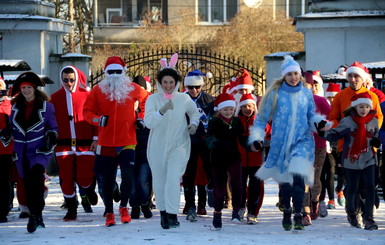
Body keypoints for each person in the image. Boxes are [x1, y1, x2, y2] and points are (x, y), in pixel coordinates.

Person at [248, 55, 328, 231]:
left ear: (300, 75)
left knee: (299, 177)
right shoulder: (275, 95)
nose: (293, 77)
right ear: (284, 76)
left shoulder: (307, 94)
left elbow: (310, 116)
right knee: (285, 181)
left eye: (296, 74)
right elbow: (261, 119)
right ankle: (287, 211)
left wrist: (319, 122)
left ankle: (299, 214)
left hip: (303, 140)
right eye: (290, 74)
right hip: (281, 142)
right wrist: (257, 137)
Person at [83, 56, 149, 227]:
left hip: (127, 139)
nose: (113, 75)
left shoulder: (132, 88)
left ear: (123, 73)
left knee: (127, 176)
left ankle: (123, 207)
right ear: (105, 73)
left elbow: (147, 99)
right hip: (105, 141)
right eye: (110, 72)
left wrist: (140, 117)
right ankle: (109, 212)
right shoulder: (98, 90)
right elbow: (87, 112)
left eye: (117, 72)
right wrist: (98, 120)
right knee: (107, 179)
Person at [144, 53, 200, 229]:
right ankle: (163, 213)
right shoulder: (152, 99)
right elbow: (148, 122)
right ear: (160, 83)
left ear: (177, 83)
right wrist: (161, 112)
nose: (168, 86)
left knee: (173, 179)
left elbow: (194, 112)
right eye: (165, 82)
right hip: (157, 146)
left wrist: (193, 124)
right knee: (160, 180)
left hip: (179, 144)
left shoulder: (183, 98)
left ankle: (172, 214)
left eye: (171, 82)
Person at [316, 92, 380, 230]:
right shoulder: (347, 121)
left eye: (367, 107)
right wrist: (322, 131)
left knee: (369, 187)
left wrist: (377, 142)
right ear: (355, 108)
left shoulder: (373, 121)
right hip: (351, 160)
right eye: (361, 107)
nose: (364, 110)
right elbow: (334, 135)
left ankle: (368, 218)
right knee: (352, 188)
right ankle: (351, 211)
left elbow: (376, 138)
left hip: (368, 158)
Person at [9, 72, 58, 233]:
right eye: (24, 88)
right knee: (28, 185)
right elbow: (11, 127)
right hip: (21, 152)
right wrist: (5, 132)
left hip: (39, 151)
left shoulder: (46, 106)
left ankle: (34, 216)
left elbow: (53, 127)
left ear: (35, 88)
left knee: (36, 179)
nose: (26, 90)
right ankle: (36, 214)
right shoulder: (15, 107)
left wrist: (51, 136)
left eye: (29, 87)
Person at [50, 66, 98, 221]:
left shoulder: (88, 95)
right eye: (65, 80)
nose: (68, 83)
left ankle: (87, 187)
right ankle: (71, 209)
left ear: (76, 79)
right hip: (63, 145)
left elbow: (95, 119)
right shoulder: (55, 97)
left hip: (85, 144)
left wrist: (96, 139)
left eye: (71, 80)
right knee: (66, 178)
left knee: (84, 176)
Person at [205, 93, 248, 230]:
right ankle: (217, 212)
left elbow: (242, 138)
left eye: (231, 109)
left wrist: (251, 145)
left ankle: (236, 211)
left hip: (234, 157)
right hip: (218, 158)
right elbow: (208, 136)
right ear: (220, 110)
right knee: (220, 186)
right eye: (225, 109)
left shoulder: (236, 121)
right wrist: (213, 143)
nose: (228, 112)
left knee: (237, 183)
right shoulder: (214, 121)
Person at [182, 69, 215, 222]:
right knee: (189, 174)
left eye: (197, 87)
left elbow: (216, 120)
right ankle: (190, 206)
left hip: (205, 142)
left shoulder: (209, 100)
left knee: (208, 172)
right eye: (190, 87)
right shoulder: (181, 99)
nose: (194, 90)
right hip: (187, 142)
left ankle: (206, 197)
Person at [301, 70, 331, 224]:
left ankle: (315, 200)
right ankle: (305, 210)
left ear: (312, 86)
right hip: (299, 146)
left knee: (314, 177)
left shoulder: (321, 101)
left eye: (306, 85)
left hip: (318, 145)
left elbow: (330, 121)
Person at [236, 93, 264, 224]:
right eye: (244, 106)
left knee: (255, 188)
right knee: (239, 186)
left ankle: (252, 212)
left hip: (256, 161)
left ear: (254, 107)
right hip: (240, 160)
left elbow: (268, 136)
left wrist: (261, 144)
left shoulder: (259, 121)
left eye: (250, 106)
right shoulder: (236, 122)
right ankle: (240, 208)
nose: (247, 108)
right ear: (240, 108)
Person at [129, 75, 153, 219]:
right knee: (131, 177)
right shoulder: (127, 102)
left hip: (146, 144)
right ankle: (135, 206)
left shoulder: (150, 102)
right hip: (129, 144)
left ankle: (145, 202)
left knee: (143, 177)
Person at [321, 82, 342, 210]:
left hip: (341, 144)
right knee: (330, 170)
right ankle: (331, 199)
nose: (332, 100)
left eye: (334, 97)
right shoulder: (325, 108)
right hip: (328, 145)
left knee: (342, 172)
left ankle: (340, 189)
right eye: (329, 97)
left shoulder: (342, 108)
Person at [0, 76, 13, 223]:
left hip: (5, 149)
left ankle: (3, 210)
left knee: (4, 181)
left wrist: (9, 129)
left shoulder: (9, 104)